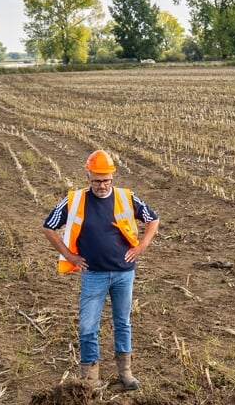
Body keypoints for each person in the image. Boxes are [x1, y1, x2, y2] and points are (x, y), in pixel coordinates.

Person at [42, 150, 160, 389]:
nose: (102, 185)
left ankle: (125, 373)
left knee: (122, 323)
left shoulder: (127, 197)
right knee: (87, 327)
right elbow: (49, 226)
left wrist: (141, 248)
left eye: (106, 180)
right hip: (93, 274)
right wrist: (68, 255)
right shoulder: (74, 200)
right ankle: (90, 379)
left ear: (112, 178)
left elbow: (153, 219)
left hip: (123, 273)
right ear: (89, 177)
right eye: (97, 180)